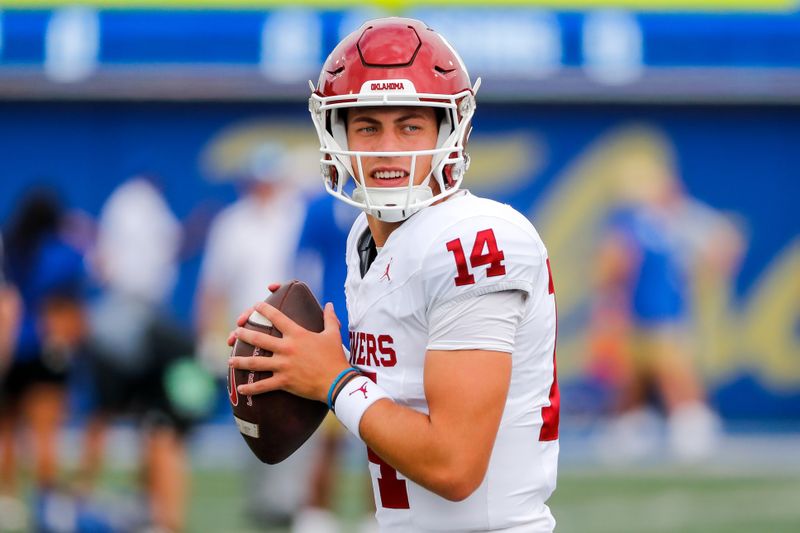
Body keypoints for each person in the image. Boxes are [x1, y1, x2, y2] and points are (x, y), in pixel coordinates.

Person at [229, 17, 559, 532]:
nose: (388, 148)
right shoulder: (366, 239)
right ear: (335, 135)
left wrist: (335, 381)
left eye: (410, 125)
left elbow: (454, 465)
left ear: (450, 131)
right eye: (367, 126)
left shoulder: (474, 238)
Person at [195, 142, 309, 526]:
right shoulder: (232, 222)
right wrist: (205, 337)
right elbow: (213, 286)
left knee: (295, 410)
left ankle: (289, 498)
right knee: (250, 412)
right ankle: (260, 496)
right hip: (247, 333)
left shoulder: (298, 215)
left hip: (293, 330)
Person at [0, 188, 87, 525]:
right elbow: (69, 308)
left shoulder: (13, 249)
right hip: (48, 348)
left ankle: (6, 498)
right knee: (45, 432)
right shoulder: (65, 254)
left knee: (7, 429)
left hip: (10, 347)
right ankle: (47, 502)